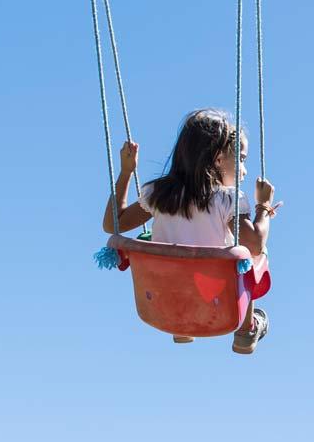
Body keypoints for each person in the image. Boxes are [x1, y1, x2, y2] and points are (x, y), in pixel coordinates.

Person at [100, 109, 277, 353]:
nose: (244, 170)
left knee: (166, 247)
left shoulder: (160, 195)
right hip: (217, 300)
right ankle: (245, 330)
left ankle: (181, 327)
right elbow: (255, 242)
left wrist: (126, 172)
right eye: (241, 159)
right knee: (252, 255)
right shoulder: (228, 200)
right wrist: (263, 207)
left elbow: (113, 224)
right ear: (217, 158)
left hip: (166, 299)